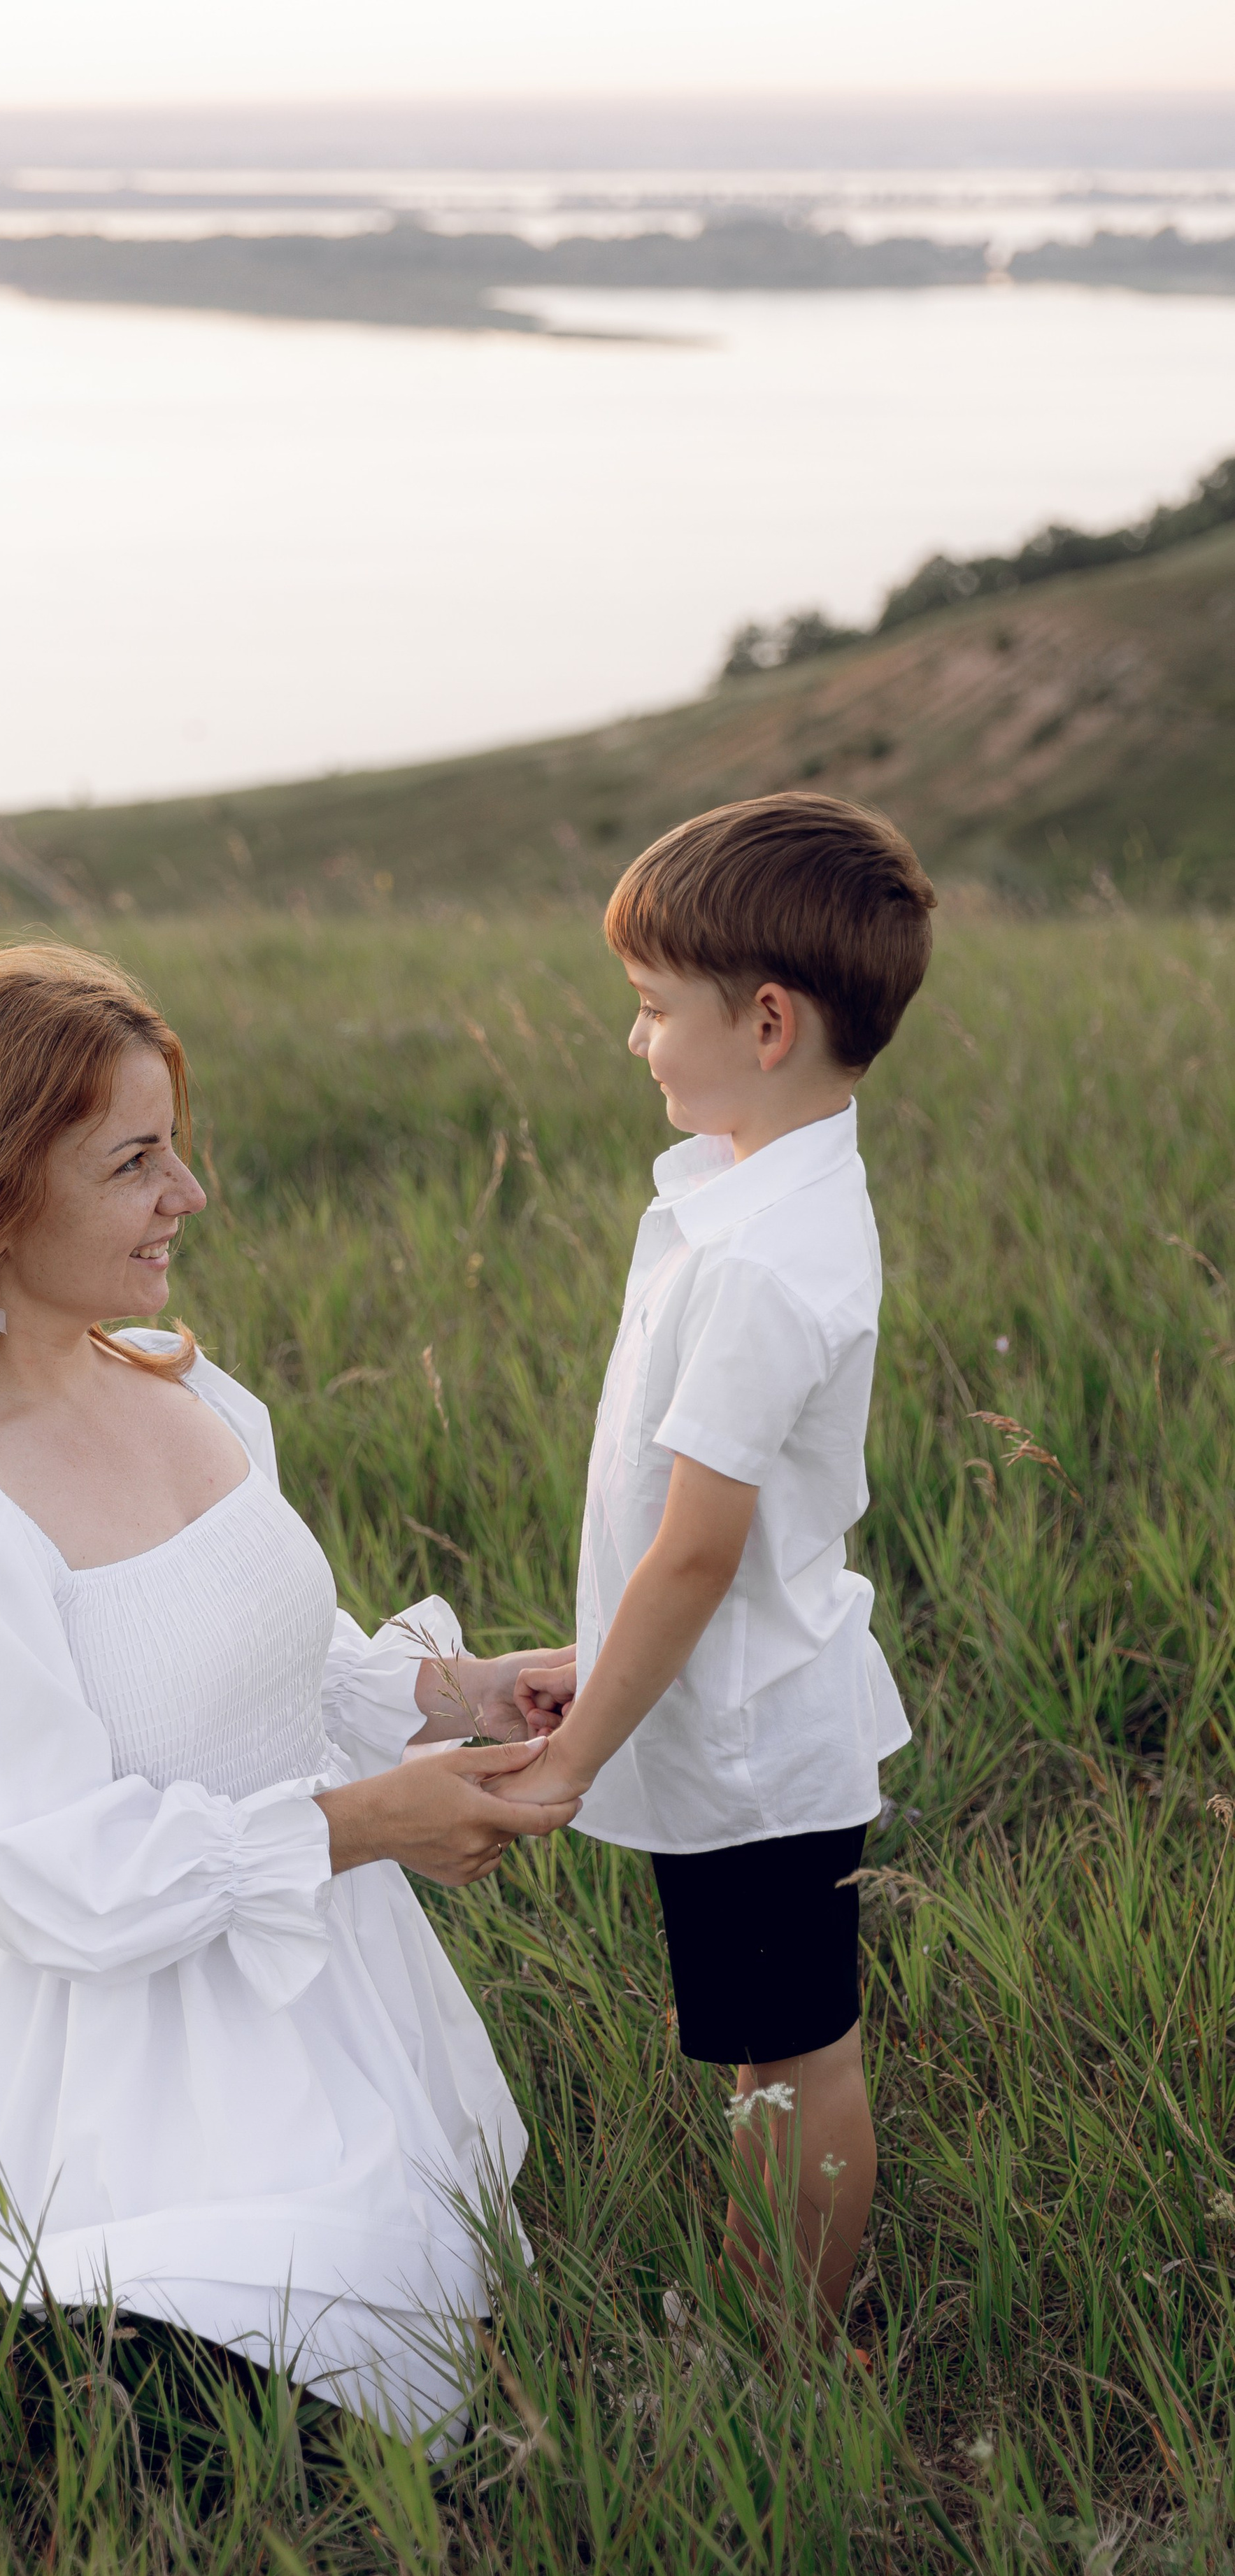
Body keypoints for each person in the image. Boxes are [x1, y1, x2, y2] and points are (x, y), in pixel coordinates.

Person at [0, 944, 580, 2435]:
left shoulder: (183, 1385)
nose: (189, 1194)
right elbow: (45, 1870)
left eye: (177, 1147)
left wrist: (458, 1693)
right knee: (282, 2372)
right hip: (116, 2046)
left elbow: (259, 1668)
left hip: (317, 1986)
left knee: (413, 2321)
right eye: (134, 1162)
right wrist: (363, 1826)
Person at [515, 793, 933, 2341]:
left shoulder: (765, 1256)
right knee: (752, 2043)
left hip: (749, 1736)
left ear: (765, 1021)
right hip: (724, 1713)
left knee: (799, 2052)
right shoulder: (747, 1195)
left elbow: (695, 1552)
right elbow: (661, 1534)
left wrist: (575, 1755)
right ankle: (765, 2299)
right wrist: (592, 1661)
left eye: (647, 1009)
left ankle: (792, 2356)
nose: (632, 1042)